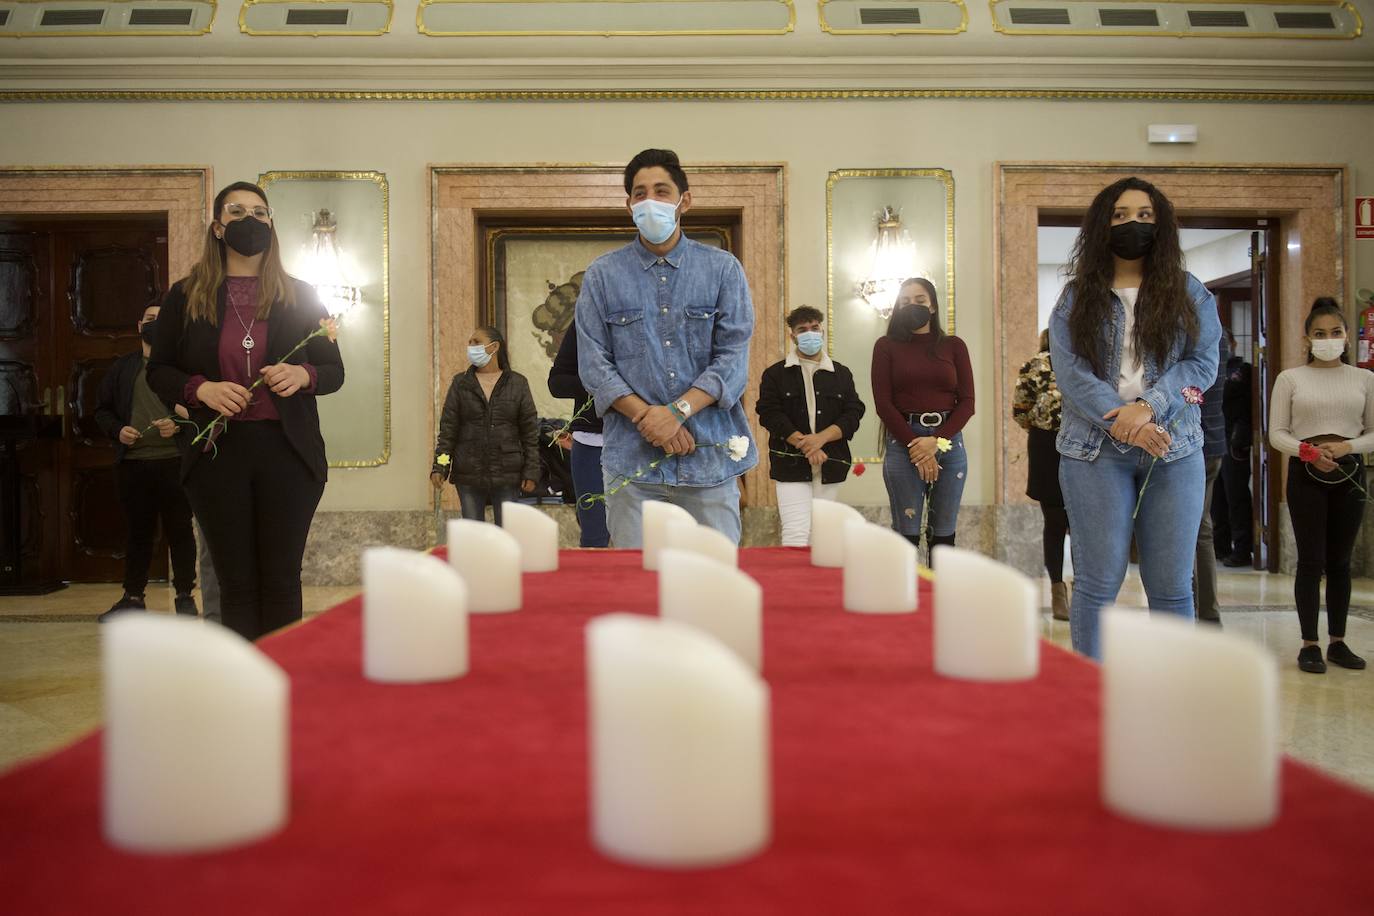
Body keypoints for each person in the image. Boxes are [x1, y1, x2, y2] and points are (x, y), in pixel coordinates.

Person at [147, 181, 344, 641]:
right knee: (234, 582)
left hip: (287, 453)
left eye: (259, 212)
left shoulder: (301, 295)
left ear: (271, 225)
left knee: (280, 580)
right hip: (218, 454)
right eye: (236, 212)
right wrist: (201, 389)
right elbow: (158, 371)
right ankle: (241, 688)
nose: (249, 220)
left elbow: (333, 370)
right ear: (218, 227)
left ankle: (281, 681)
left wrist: (303, 377)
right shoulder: (184, 295)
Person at [1049, 176, 1221, 660]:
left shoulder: (1190, 293)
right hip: (1093, 452)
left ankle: (1169, 695)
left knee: (1171, 585)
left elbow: (1202, 366)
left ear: (1161, 224)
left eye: (1144, 215)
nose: (1133, 224)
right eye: (1121, 215)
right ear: (1103, 224)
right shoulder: (1075, 296)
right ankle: (1094, 694)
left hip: (1175, 450)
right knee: (1098, 582)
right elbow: (1071, 374)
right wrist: (1125, 422)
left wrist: (1149, 409)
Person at [575, 148, 757, 546]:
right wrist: (651, 420)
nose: (650, 201)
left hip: (709, 460)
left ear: (683, 201)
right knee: (636, 591)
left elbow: (732, 360)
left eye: (661, 190)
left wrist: (678, 411)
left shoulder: (723, 269)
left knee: (714, 583)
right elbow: (593, 365)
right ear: (629, 205)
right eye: (639, 194)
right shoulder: (602, 276)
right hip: (633, 468)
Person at [1268, 298, 1371, 674]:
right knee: (1310, 561)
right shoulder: (1290, 379)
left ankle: (1339, 642)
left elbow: (1373, 432)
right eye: (1320, 334)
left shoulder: (1364, 379)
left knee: (1340, 562)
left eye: (1336, 333)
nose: (1328, 339)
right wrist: (1308, 451)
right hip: (1306, 473)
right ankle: (1309, 643)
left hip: (1349, 471)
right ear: (1308, 338)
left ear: (1346, 336)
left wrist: (1348, 446)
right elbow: (1276, 433)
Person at [94, 303, 197, 622]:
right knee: (138, 533)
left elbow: (199, 412)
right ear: (140, 325)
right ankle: (133, 597)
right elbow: (102, 410)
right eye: (150, 320)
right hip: (133, 465)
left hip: (175, 463)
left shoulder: (181, 369)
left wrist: (178, 425)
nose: (155, 325)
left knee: (180, 532)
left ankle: (184, 596)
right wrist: (117, 430)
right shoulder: (123, 368)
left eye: (161, 320)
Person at [871, 277, 974, 559]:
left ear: (932, 306)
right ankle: (908, 599)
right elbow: (883, 403)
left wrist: (936, 442)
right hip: (904, 441)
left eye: (919, 300)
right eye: (905, 302)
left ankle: (938, 600)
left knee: (943, 533)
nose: (912, 306)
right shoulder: (885, 346)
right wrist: (918, 446)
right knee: (907, 533)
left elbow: (967, 403)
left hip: (948, 442)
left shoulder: (954, 345)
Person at [756, 306, 866, 546]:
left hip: (831, 463)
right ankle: (792, 584)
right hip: (790, 463)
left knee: (822, 537)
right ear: (792, 335)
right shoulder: (775, 374)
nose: (809, 333)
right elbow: (768, 413)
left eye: (814, 328)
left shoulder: (841, 373)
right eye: (802, 329)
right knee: (796, 533)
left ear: (822, 330)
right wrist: (806, 444)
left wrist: (821, 439)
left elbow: (854, 412)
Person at [431, 326, 539, 527]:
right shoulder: (460, 383)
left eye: (476, 342)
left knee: (507, 534)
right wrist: (440, 466)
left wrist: (532, 471)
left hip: (508, 473)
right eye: (469, 343)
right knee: (474, 534)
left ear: (494, 346)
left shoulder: (517, 383)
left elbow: (530, 434)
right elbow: (448, 432)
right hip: (468, 473)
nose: (470, 347)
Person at [1012, 329, 1070, 620]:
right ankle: (1059, 592)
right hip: (1047, 444)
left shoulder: (1086, 362)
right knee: (1056, 519)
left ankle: (1085, 589)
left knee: (1080, 522)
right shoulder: (1035, 365)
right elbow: (1020, 409)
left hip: (1083, 447)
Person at [548, 325, 609, 546]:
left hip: (642, 439)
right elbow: (556, 383)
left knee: (638, 535)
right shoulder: (584, 325)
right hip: (591, 442)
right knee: (595, 536)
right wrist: (600, 384)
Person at [1192, 330, 1230, 626]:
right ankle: (1207, 611)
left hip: (1192, 446)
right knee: (1201, 529)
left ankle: (1191, 607)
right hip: (1213, 443)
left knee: (1186, 531)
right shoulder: (1219, 339)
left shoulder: (1197, 339)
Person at [1216, 328, 1254, 566]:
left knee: (1236, 496)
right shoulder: (1209, 369)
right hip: (1213, 439)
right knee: (1216, 499)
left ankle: (1242, 549)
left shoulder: (1243, 370)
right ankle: (1220, 547)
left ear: (1233, 343)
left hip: (1235, 441)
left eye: (1225, 341)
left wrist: (1241, 438)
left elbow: (1248, 408)